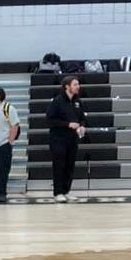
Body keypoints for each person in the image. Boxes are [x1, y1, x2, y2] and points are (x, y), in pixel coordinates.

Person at [44, 74, 87, 202]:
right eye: (75, 84)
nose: (78, 86)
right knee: (59, 165)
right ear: (67, 87)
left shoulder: (78, 102)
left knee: (70, 165)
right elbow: (50, 120)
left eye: (78, 84)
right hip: (58, 138)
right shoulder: (57, 101)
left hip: (72, 139)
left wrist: (82, 126)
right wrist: (68, 124)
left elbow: (82, 118)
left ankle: (66, 191)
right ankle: (58, 192)